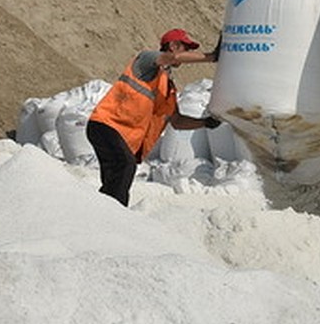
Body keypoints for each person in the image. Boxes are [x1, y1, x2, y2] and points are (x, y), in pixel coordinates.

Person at [87, 27, 220, 206]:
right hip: (106, 124)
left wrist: (205, 122)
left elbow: (177, 121)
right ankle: (114, 215)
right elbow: (174, 58)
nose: (189, 52)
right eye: (186, 48)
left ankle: (101, 213)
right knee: (125, 166)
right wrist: (212, 56)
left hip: (122, 136)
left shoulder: (167, 87)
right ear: (173, 46)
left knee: (117, 178)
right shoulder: (147, 60)